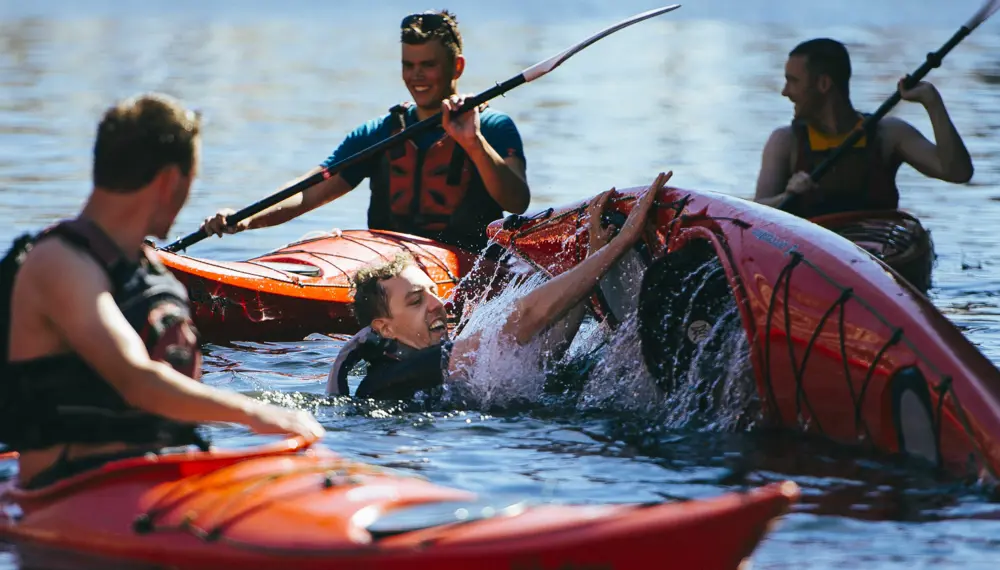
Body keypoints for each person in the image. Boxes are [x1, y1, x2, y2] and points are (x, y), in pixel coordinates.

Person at [1, 93, 324, 490]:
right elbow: (135, 379)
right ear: (171, 180)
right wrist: (257, 414)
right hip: (65, 491)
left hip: (155, 480)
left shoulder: (148, 267)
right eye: (192, 180)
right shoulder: (59, 263)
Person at [201, 10, 530, 253]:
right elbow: (306, 193)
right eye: (408, 65)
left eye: (428, 65)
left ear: (457, 66)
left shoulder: (494, 127)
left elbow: (516, 201)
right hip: (390, 266)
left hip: (468, 262)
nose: (417, 76)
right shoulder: (379, 134)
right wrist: (246, 218)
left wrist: (473, 144)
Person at [326, 172, 671, 400]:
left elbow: (542, 357)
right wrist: (619, 245)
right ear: (384, 327)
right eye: (416, 301)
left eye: (433, 292)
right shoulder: (402, 374)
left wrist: (592, 259)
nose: (437, 305)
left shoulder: (423, 360)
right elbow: (526, 317)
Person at [753, 38, 974, 218]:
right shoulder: (785, 141)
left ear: (823, 84)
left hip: (878, 253)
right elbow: (756, 214)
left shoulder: (888, 134)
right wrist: (787, 196)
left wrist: (932, 102)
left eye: (793, 81)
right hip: (812, 256)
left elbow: (958, 172)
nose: (785, 92)